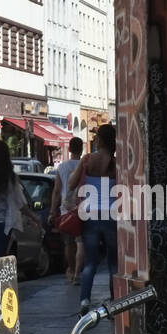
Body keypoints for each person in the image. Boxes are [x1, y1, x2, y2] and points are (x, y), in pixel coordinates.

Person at [72, 123, 117, 314]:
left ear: (98, 139)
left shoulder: (88, 160)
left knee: (90, 262)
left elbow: (71, 184)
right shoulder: (117, 163)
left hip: (90, 215)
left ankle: (84, 300)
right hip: (112, 216)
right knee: (114, 264)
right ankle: (115, 301)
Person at [50, 136, 85, 284]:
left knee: (68, 244)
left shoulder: (62, 167)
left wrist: (52, 211)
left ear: (69, 149)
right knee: (81, 243)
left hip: (66, 211)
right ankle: (78, 272)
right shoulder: (85, 166)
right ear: (81, 149)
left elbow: (57, 191)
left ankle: (71, 270)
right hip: (83, 209)